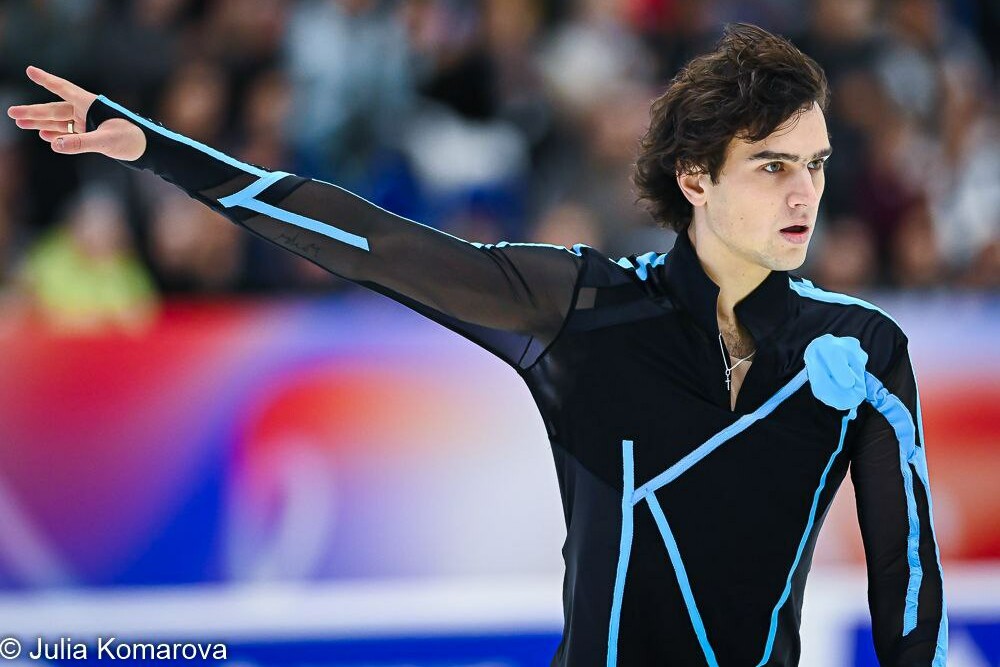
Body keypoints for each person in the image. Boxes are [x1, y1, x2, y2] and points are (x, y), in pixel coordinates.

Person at [8, 23, 945, 667]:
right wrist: (157, 148)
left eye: (816, 165)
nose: (805, 194)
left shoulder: (861, 353)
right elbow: (374, 243)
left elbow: (907, 582)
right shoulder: (586, 309)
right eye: (773, 166)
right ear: (696, 177)